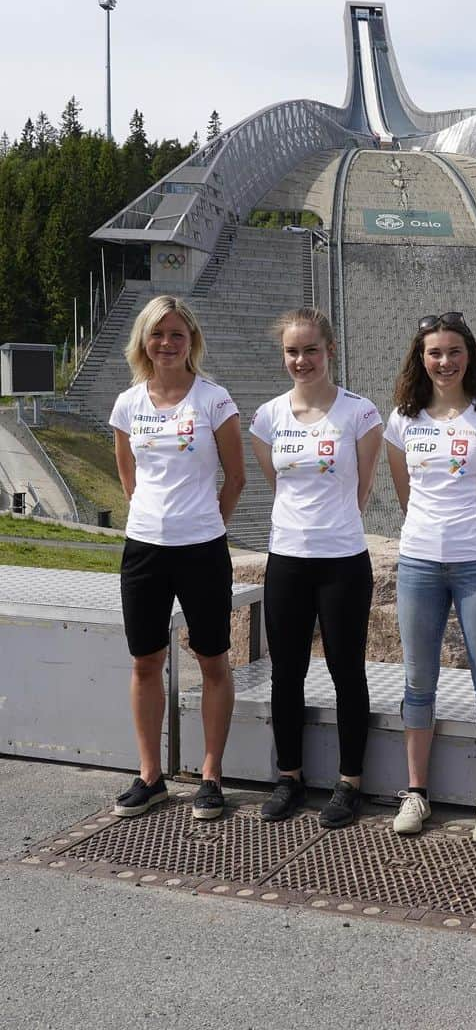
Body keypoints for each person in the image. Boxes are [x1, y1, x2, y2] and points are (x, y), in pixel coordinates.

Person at [385, 312, 476, 844]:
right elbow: (406, 494)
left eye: (454, 352)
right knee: (419, 679)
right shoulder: (404, 418)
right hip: (420, 561)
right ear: (420, 359)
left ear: (470, 356)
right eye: (434, 353)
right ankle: (416, 792)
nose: (445, 362)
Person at [110, 295, 245, 820]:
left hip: (202, 548)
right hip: (144, 547)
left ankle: (211, 774)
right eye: (157, 335)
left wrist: (207, 523)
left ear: (192, 342)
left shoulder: (213, 400)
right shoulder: (128, 404)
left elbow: (235, 478)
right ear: (143, 341)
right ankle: (151, 776)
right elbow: (129, 479)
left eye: (177, 336)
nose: (166, 344)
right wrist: (154, 519)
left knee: (212, 658)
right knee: (145, 660)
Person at [249, 308, 383, 828]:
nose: (301, 360)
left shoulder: (359, 413)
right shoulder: (268, 417)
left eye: (310, 350)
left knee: (347, 671)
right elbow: (276, 482)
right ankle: (290, 776)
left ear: (330, 351)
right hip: (287, 559)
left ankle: (350, 783)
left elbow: (362, 489)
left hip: (343, 561)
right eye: (291, 351)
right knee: (287, 672)